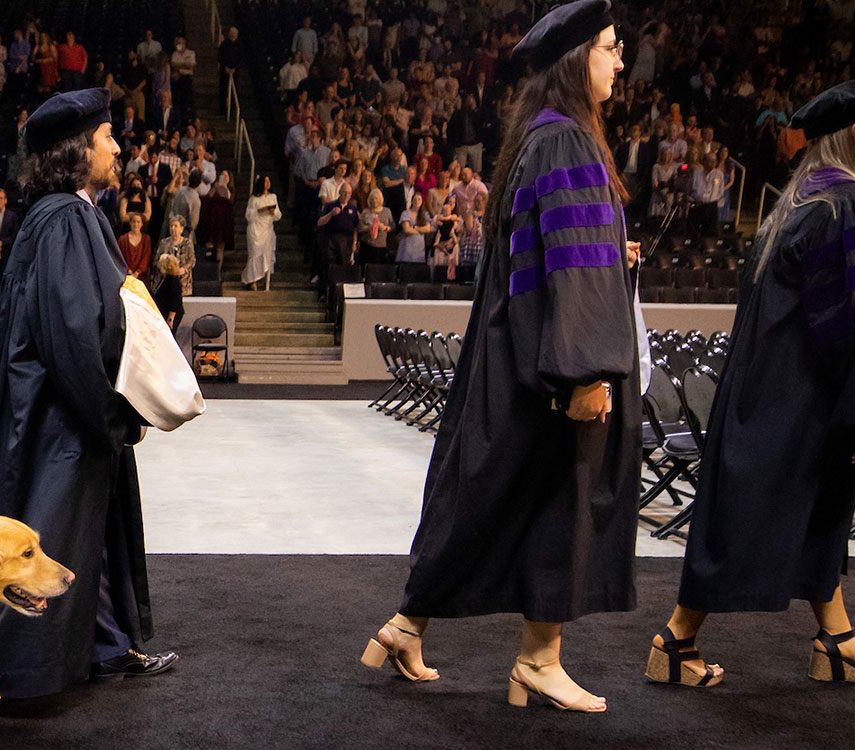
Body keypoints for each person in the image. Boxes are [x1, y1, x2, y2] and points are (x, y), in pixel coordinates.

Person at [361, 0, 640, 714]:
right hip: (556, 365)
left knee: (493, 498)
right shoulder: (571, 143)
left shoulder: (534, 142)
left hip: (517, 356)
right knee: (556, 500)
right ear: (580, 59)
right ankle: (538, 660)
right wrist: (585, 371)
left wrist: (613, 250)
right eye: (610, 47)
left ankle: (406, 627)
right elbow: (572, 271)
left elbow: (553, 253)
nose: (620, 60)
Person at [658, 79, 855, 690]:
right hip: (805, 397)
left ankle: (837, 641)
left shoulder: (794, 204)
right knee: (757, 519)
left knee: (815, 512)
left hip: (761, 389)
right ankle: (674, 640)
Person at [0, 87, 175, 713]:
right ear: (78, 150)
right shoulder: (68, 219)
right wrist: (112, 413)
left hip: (47, 414)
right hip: (57, 421)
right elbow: (74, 331)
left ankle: (102, 643)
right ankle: (13, 675)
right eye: (107, 138)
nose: (117, 147)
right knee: (44, 539)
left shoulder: (60, 214)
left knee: (82, 533)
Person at [243, 176, 280, 290]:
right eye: (265, 181)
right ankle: (252, 280)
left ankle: (265, 279)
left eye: (269, 181)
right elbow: (248, 216)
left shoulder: (273, 197)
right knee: (254, 254)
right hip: (255, 230)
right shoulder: (254, 199)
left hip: (267, 230)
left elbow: (278, 215)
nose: (268, 183)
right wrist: (261, 210)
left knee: (266, 254)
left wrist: (273, 212)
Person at [198, 177, 236, 261]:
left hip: (223, 221)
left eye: (226, 176)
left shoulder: (229, 190)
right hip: (212, 220)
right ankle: (208, 268)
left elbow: (230, 202)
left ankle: (217, 270)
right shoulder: (214, 188)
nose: (224, 178)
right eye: (223, 176)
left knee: (220, 247)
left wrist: (225, 188)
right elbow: (208, 199)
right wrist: (215, 188)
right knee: (209, 245)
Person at [152, 252, 186, 327]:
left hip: (170, 315)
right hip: (164, 312)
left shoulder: (172, 280)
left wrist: (171, 318)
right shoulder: (164, 278)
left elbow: (175, 300)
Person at [117, 211, 153, 278]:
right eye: (133, 221)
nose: (136, 224)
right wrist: (129, 271)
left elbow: (146, 257)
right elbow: (120, 257)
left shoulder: (146, 239)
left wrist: (137, 272)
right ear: (130, 223)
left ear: (142, 224)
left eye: (138, 222)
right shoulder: (122, 239)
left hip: (142, 276)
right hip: (125, 274)